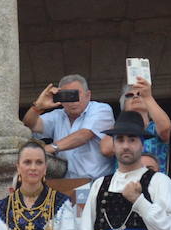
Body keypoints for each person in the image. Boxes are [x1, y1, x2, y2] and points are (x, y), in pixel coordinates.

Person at [23, 73, 116, 208]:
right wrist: (38, 106)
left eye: (76, 94)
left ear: (88, 95)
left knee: (85, 226)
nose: (72, 101)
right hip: (66, 186)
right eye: (67, 96)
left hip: (96, 184)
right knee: (66, 226)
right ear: (60, 98)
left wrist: (51, 148)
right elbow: (29, 125)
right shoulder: (58, 115)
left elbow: (84, 135)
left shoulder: (101, 109)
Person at [100, 78, 171, 173]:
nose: (135, 97)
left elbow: (166, 128)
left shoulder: (154, 127)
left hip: (154, 184)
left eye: (140, 94)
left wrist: (148, 97)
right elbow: (106, 149)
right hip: (124, 184)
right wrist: (125, 120)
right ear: (124, 105)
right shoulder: (118, 130)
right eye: (129, 95)